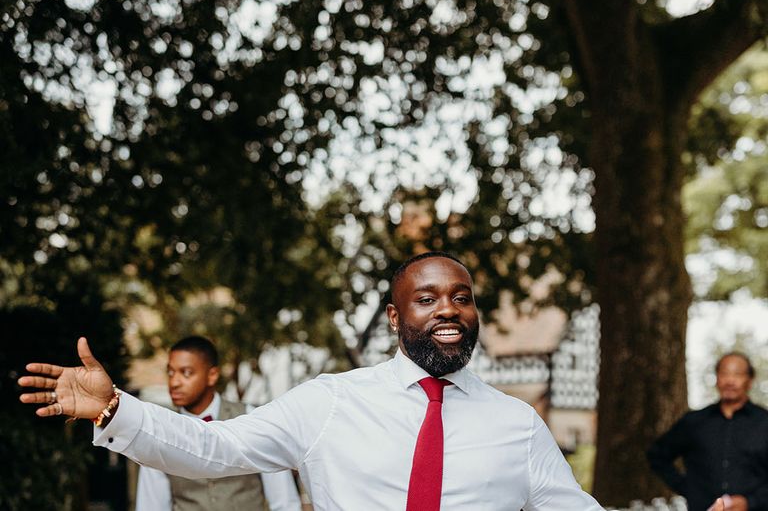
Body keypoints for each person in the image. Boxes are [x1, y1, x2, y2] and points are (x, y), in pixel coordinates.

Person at [21, 251, 603, 510]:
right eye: (426, 299)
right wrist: (114, 408)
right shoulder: (331, 402)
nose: (448, 310)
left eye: (462, 298)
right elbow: (214, 447)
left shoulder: (518, 425)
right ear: (396, 318)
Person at [135, 335, 301, 511]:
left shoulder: (250, 418)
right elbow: (151, 505)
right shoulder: (161, 432)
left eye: (186, 373)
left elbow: (284, 501)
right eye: (170, 372)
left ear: (212, 375)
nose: (174, 382)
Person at [647, 352, 768, 511]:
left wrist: (750, 502)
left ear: (749, 380)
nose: (730, 381)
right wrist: (688, 489)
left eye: (737, 374)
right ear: (717, 378)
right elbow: (657, 455)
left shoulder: (764, 422)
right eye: (724, 373)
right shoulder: (694, 422)